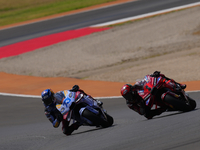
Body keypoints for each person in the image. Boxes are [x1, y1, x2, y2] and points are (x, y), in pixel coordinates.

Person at [120, 71, 186, 119]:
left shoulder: (136, 86)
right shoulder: (130, 103)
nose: (128, 97)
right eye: (126, 96)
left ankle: (178, 84)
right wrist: (143, 107)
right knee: (147, 115)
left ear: (132, 90)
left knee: (159, 76)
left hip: (152, 91)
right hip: (148, 102)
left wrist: (152, 75)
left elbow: (145, 80)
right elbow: (140, 112)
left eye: (128, 95)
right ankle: (164, 109)